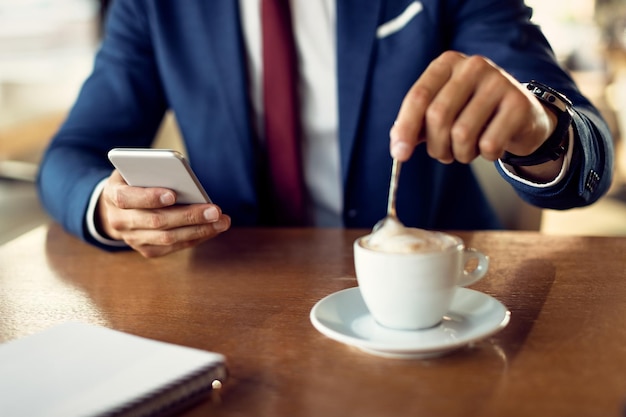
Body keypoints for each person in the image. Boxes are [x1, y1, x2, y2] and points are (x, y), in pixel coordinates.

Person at [37, 0, 614, 258]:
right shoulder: (153, 6)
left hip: (440, 300)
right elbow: (71, 154)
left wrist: (539, 130)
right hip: (237, 297)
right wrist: (106, 206)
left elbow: (587, 157)